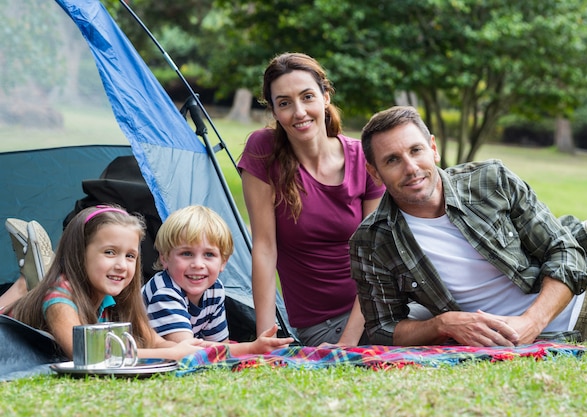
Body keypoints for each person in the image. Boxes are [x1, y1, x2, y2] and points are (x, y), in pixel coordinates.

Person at [350, 105, 587, 347]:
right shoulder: (373, 241)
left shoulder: (489, 180)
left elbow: (564, 249)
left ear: (433, 149)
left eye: (416, 150)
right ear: (374, 173)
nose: (410, 168)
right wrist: (441, 324)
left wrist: (531, 323)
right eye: (392, 160)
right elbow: (383, 329)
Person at [237, 52, 385, 346]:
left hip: (379, 308)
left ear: (325, 96)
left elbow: (374, 257)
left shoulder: (361, 157)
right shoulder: (263, 150)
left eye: (307, 97)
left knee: (455, 320)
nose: (299, 112)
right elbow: (265, 248)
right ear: (275, 111)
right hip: (323, 324)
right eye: (284, 103)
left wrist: (349, 341)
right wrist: (263, 339)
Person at [1, 205, 212, 360]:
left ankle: (30, 280)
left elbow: (154, 341)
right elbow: (84, 354)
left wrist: (186, 348)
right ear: (79, 252)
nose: (122, 265)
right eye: (110, 252)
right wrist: (170, 353)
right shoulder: (59, 299)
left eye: (130, 256)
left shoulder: (118, 298)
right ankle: (25, 283)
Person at [142, 205, 293, 354]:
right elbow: (188, 351)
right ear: (165, 258)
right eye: (187, 253)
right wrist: (250, 348)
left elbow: (220, 344)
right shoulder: (165, 292)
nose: (198, 265)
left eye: (209, 254)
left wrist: (233, 349)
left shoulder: (214, 289)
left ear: (223, 262)